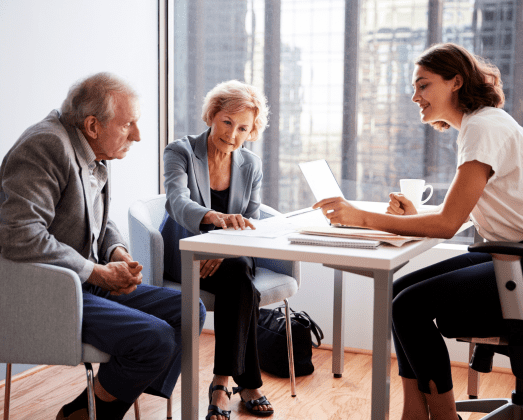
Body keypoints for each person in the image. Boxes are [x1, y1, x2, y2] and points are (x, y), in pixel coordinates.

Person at [313, 43, 523, 420]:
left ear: (455, 81)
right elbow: (480, 210)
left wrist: (362, 217)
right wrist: (415, 215)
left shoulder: (483, 127)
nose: (415, 96)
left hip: (517, 263)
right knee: (397, 291)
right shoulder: (483, 123)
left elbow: (447, 225)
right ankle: (414, 409)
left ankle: (442, 415)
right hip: (506, 253)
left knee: (409, 305)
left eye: (423, 85)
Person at [0, 72, 206, 420]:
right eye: (128, 125)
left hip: (86, 285)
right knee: (155, 340)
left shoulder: (91, 148)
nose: (137, 135)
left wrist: (116, 253)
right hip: (51, 294)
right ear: (93, 125)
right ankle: (93, 411)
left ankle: (102, 401)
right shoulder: (45, 146)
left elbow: (99, 220)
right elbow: (18, 233)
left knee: (190, 307)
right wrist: (96, 271)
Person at [160, 80, 273, 420]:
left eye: (243, 128)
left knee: (237, 272)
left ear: (251, 132)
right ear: (212, 115)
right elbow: (176, 201)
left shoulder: (250, 165)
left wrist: (222, 248)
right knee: (242, 283)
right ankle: (248, 383)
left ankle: (221, 382)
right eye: (227, 122)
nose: (233, 134)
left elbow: (251, 221)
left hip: (232, 255)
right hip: (187, 251)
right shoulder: (180, 151)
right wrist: (212, 220)